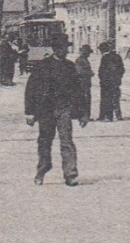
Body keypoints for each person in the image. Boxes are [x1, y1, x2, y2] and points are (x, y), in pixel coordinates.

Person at [24, 38, 87, 186]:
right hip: (45, 110)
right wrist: (29, 112)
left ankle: (70, 174)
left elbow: (78, 91)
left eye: (65, 48)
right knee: (45, 141)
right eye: (61, 48)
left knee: (67, 141)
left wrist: (83, 113)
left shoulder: (70, 67)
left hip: (63, 109)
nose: (64, 51)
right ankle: (43, 168)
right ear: (55, 49)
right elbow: (31, 89)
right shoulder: (42, 66)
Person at [97, 40, 125, 121]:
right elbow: (122, 69)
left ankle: (108, 116)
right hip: (115, 81)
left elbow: (102, 70)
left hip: (106, 82)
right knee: (115, 98)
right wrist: (118, 77)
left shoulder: (105, 57)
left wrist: (102, 79)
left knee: (106, 98)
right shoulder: (118, 56)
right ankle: (118, 115)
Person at [74, 44, 95, 122]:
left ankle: (86, 116)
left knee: (86, 99)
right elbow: (79, 71)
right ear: (85, 52)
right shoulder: (80, 60)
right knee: (84, 100)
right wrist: (90, 73)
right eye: (88, 52)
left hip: (85, 83)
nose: (89, 54)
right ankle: (84, 116)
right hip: (82, 83)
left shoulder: (84, 59)